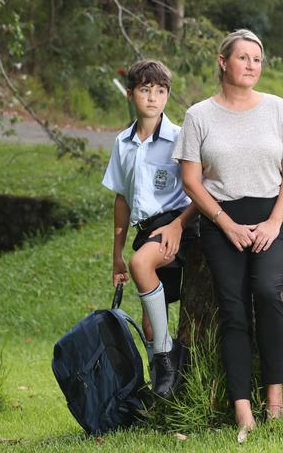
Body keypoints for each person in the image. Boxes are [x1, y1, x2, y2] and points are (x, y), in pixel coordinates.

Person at [172, 29, 283, 443]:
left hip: (272, 218)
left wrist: (272, 222)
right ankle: (242, 408)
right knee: (231, 307)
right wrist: (225, 223)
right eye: (243, 57)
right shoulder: (199, 115)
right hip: (221, 220)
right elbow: (191, 180)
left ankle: (276, 400)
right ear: (223, 61)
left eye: (257, 59)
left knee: (266, 292)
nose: (251, 65)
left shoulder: (277, 109)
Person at [102, 59, 197, 399]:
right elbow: (122, 199)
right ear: (130, 94)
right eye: (145, 90)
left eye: (160, 91)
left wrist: (179, 224)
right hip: (146, 230)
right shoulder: (122, 143)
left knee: (142, 263)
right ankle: (163, 384)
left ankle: (167, 359)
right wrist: (116, 254)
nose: (153, 98)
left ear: (167, 95)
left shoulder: (178, 137)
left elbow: (199, 186)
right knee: (147, 320)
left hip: (178, 224)